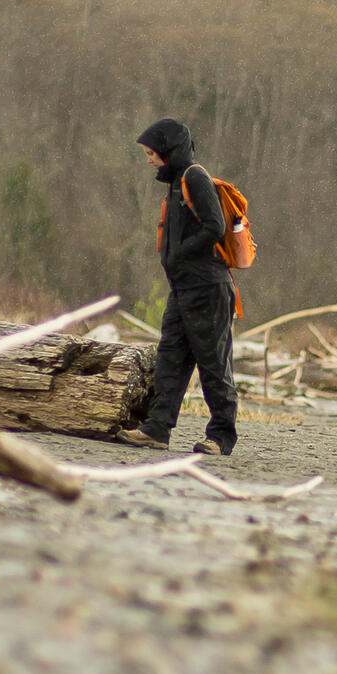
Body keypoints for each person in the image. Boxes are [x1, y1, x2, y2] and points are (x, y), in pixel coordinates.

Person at [128, 117, 240, 457]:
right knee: (170, 358)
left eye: (152, 153)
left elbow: (215, 226)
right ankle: (156, 429)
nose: (148, 159)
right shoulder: (175, 182)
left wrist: (178, 254)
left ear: (169, 150)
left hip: (208, 288)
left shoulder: (195, 177)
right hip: (183, 289)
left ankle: (220, 437)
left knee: (213, 364)